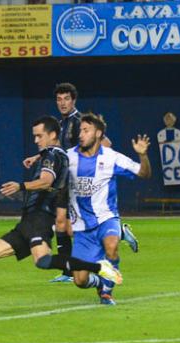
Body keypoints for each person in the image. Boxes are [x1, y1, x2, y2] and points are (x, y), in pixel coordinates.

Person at [0, 116, 122, 310]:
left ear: (53, 134)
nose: (36, 140)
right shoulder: (56, 155)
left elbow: (46, 180)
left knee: (43, 260)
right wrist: (38, 157)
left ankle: (99, 268)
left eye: (39, 136)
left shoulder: (53, 155)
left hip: (40, 218)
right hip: (28, 220)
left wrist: (20, 186)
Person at [24, 83, 137, 284]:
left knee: (65, 224)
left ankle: (78, 266)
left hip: (76, 180)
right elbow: (59, 149)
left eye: (66, 99)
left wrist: (93, 160)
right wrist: (37, 156)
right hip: (66, 179)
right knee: (62, 224)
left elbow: (106, 144)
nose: (62, 103)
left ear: (73, 100)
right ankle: (71, 269)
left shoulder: (78, 121)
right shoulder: (62, 122)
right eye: (59, 99)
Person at [67, 113, 151, 305]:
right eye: (80, 130)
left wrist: (143, 154)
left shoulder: (112, 158)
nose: (81, 134)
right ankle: (99, 280)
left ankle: (106, 291)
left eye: (86, 130)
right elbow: (53, 169)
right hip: (81, 226)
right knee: (79, 281)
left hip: (106, 218)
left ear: (98, 133)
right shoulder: (69, 157)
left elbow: (144, 173)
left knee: (112, 248)